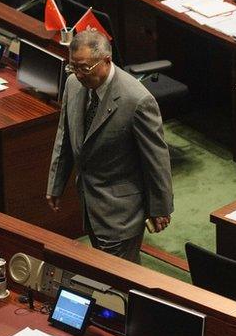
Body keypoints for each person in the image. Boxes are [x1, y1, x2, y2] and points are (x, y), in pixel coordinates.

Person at [46, 31, 173, 263]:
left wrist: (160, 208)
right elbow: (65, 135)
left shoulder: (137, 100)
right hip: (89, 202)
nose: (78, 74)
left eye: (84, 68)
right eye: (73, 67)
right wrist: (56, 183)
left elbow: (156, 159)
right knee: (109, 273)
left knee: (117, 280)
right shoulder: (74, 84)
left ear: (106, 60)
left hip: (121, 211)